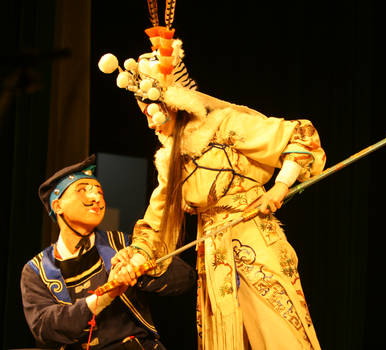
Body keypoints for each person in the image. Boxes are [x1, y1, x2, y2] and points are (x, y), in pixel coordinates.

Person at [99, 5, 325, 348]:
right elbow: (157, 222)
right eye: (144, 113)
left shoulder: (225, 127)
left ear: (174, 102)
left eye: (153, 111)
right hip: (213, 251)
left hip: (253, 238)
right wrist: (137, 258)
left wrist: (279, 187)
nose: (150, 123)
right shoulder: (171, 163)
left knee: (276, 333)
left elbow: (297, 136)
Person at [20, 154, 196, 350]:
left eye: (99, 191)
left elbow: (186, 278)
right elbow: (45, 327)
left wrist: (138, 267)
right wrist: (105, 296)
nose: (96, 198)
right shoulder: (37, 270)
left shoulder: (124, 245)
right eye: (83, 190)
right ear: (57, 205)